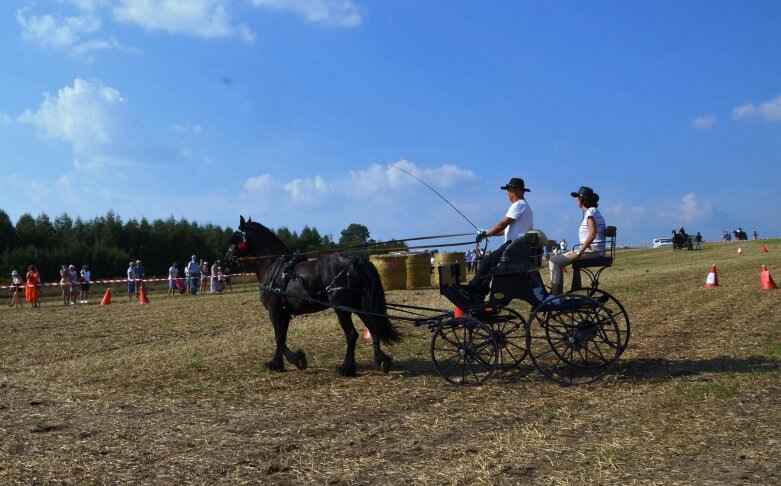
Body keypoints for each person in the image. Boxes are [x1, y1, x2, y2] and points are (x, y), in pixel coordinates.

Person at [466, 177, 534, 299]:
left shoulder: (519, 205)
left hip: (514, 246)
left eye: (509, 190)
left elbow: (502, 224)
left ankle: (472, 288)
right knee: (491, 263)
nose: (507, 193)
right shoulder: (521, 206)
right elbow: (504, 230)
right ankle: (481, 291)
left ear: (516, 191)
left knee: (488, 261)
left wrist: (485, 234)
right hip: (516, 246)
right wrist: (486, 232)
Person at [548, 186, 606, 296]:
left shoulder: (590, 212)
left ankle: (555, 295)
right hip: (594, 250)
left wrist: (579, 252)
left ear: (582, 199)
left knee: (554, 261)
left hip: (592, 252)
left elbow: (592, 234)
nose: (576, 200)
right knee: (557, 261)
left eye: (577, 197)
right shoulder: (593, 211)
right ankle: (558, 294)